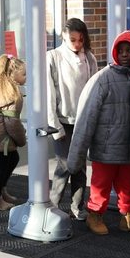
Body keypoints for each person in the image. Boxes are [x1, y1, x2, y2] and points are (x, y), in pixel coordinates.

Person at [67, 30, 130, 236]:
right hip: (105, 148)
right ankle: (94, 215)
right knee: (100, 185)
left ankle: (128, 217)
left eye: (129, 51)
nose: (124, 54)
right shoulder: (103, 79)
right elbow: (87, 116)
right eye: (120, 50)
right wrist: (76, 155)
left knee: (129, 184)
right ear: (115, 52)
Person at [47, 18, 97, 219]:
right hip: (62, 120)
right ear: (63, 37)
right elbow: (48, 93)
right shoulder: (52, 57)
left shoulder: (90, 59)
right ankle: (53, 205)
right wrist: (54, 125)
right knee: (65, 164)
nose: (77, 44)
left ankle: (77, 206)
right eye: (73, 39)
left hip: (82, 121)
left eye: (80, 40)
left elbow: (94, 92)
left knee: (80, 166)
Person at [0, 55, 27, 211]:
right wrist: (21, 139)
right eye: (23, 74)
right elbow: (12, 122)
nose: (25, 77)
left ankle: (1, 191)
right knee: (1, 167)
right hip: (4, 139)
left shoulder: (0, 90)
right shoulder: (11, 96)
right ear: (12, 76)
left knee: (12, 159)